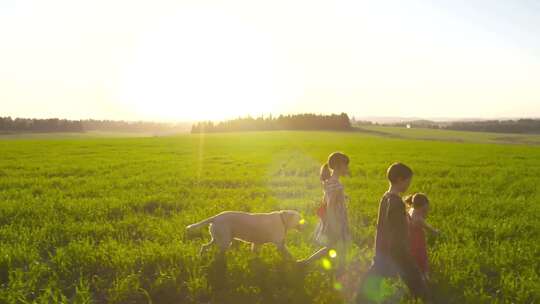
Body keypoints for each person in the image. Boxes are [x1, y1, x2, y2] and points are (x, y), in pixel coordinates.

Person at [357, 163, 429, 303]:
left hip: (383, 249)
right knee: (417, 283)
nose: (409, 185)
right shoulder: (396, 203)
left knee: (373, 280)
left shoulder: (385, 197)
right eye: (408, 181)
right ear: (400, 179)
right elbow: (397, 232)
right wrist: (402, 253)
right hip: (397, 251)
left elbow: (382, 226)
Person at [298, 152, 351, 275]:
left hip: (331, 219)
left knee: (332, 247)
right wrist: (334, 224)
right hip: (336, 220)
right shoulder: (337, 185)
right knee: (340, 246)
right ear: (338, 166)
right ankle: (341, 271)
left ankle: (306, 263)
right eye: (346, 166)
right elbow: (331, 205)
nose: (347, 169)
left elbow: (327, 201)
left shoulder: (328, 182)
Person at [405, 193, 440, 280]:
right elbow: (429, 228)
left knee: (413, 255)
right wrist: (436, 232)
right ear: (421, 207)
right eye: (425, 210)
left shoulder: (411, 210)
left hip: (409, 239)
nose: (426, 212)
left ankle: (413, 272)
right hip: (418, 240)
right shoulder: (419, 219)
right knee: (422, 256)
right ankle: (425, 275)